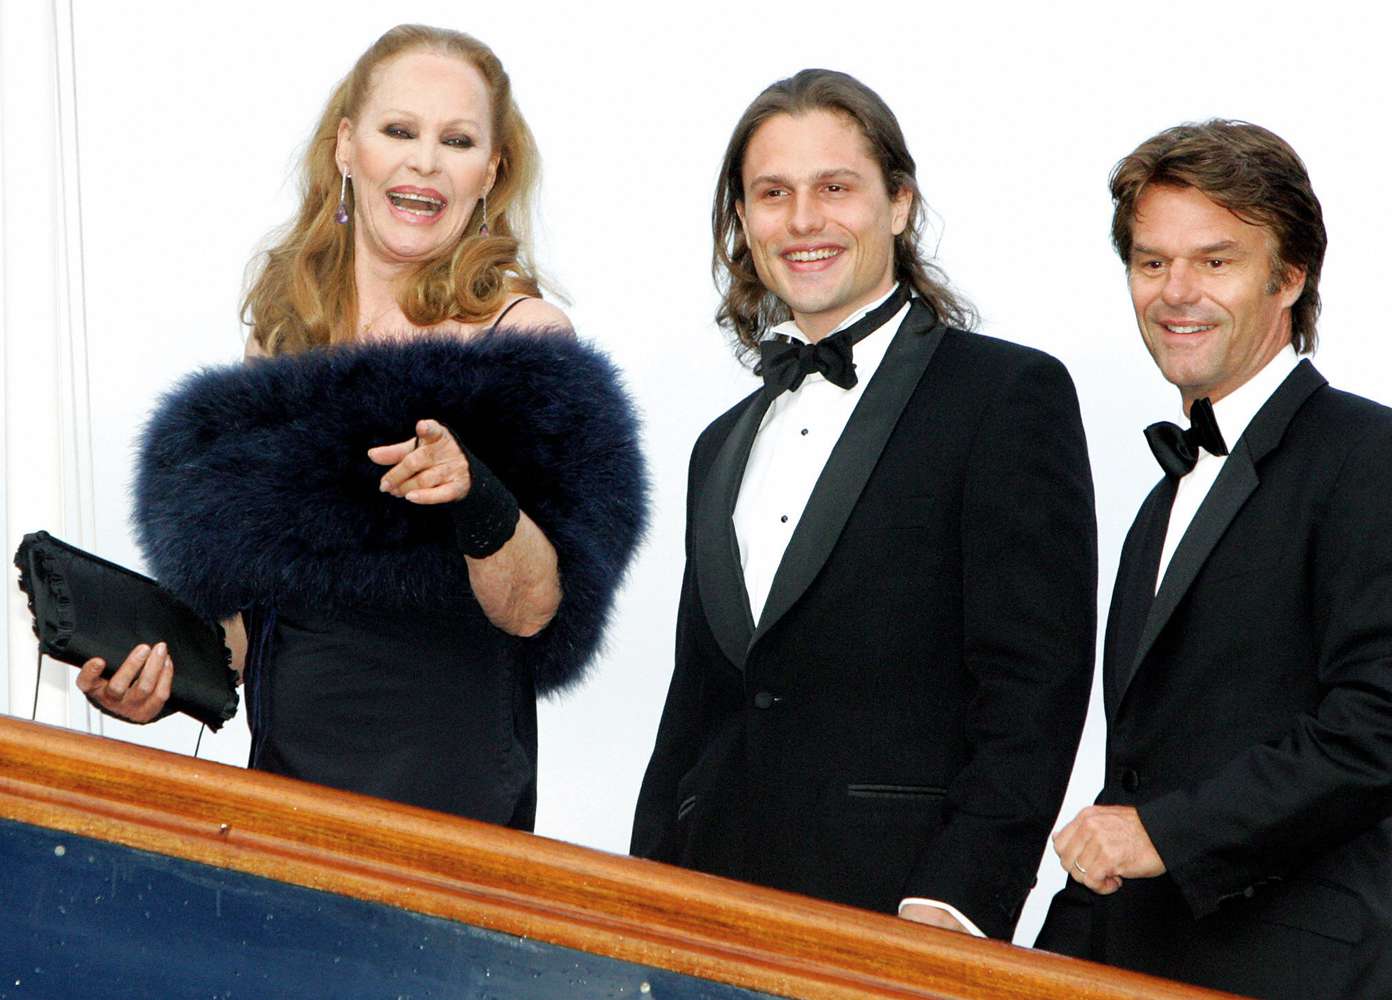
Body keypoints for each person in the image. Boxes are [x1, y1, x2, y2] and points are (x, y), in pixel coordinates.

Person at [75, 24, 646, 832]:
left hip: (450, 803)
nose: (423, 160)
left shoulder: (520, 337)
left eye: (456, 140)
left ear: (490, 171)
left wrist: (473, 494)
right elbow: (251, 619)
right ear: (348, 147)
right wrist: (164, 676)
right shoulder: (281, 340)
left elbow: (535, 610)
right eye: (399, 130)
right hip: (284, 793)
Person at [630, 69, 1096, 939]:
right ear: (744, 220)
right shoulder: (719, 445)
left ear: (899, 203)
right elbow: (694, 709)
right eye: (773, 194)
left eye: (835, 187)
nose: (803, 219)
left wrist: (961, 896)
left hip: (900, 915)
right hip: (709, 916)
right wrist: (644, 896)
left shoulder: (1005, 395)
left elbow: (1036, 682)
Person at [1034, 120, 1392, 998]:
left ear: (1291, 276)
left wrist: (1169, 833)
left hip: (1287, 970)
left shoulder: (1371, 454)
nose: (1176, 292)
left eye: (1216, 261)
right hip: (1127, 971)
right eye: (1151, 262)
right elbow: (1139, 782)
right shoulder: (1163, 502)